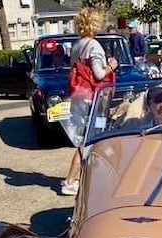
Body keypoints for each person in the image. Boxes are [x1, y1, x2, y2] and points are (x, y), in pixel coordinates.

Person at [61, 7, 119, 196]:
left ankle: (84, 177)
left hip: (78, 96)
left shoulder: (78, 45)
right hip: (91, 100)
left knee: (86, 139)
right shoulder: (94, 46)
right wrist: (111, 66)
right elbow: (99, 74)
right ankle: (70, 181)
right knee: (88, 141)